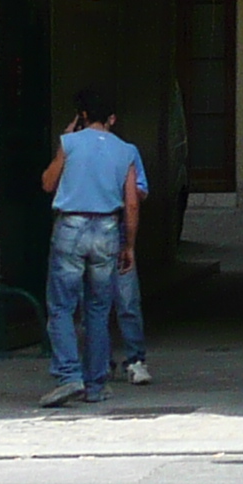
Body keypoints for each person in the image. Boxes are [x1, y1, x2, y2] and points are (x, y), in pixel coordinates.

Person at [38, 100, 145, 406]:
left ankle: (69, 375)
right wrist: (129, 245)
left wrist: (67, 136)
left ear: (82, 116)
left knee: (61, 306)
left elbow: (48, 183)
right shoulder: (125, 150)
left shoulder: (69, 143)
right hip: (108, 230)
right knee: (98, 310)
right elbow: (133, 202)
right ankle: (96, 384)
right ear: (111, 117)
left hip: (71, 227)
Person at [108, 149, 152, 387]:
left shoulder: (123, 151)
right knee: (125, 301)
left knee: (95, 302)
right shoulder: (126, 151)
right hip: (114, 225)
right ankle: (132, 361)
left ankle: (104, 362)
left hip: (95, 225)